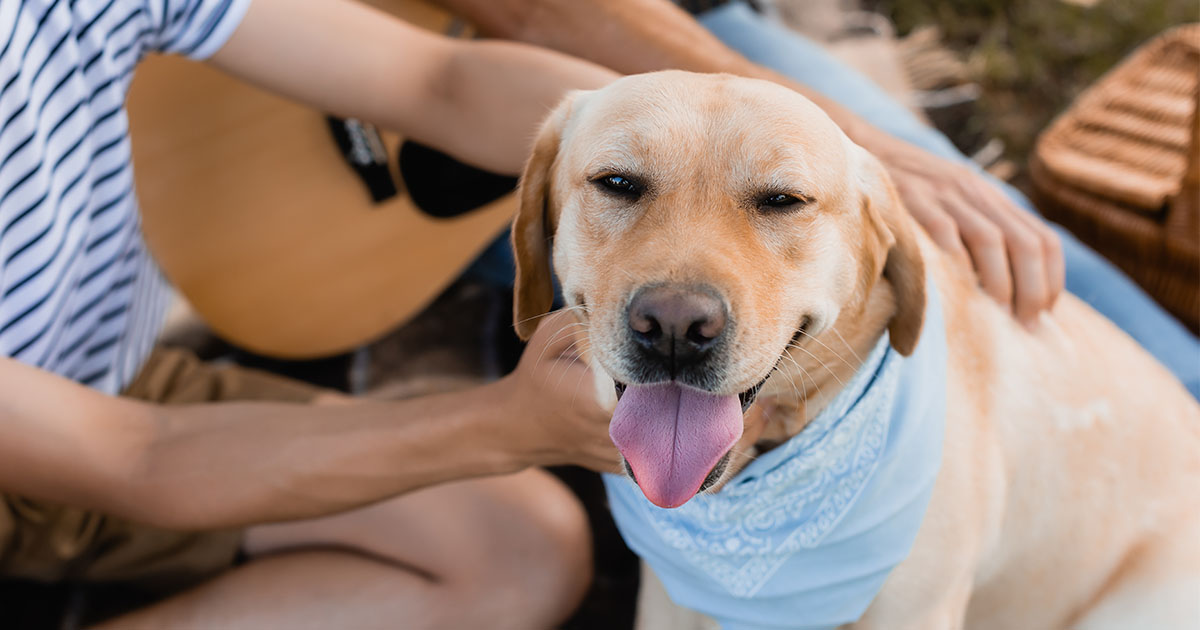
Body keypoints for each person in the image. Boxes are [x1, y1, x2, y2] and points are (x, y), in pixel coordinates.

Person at [0, 0, 623, 627]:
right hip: (120, 445)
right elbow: (140, 459)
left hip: (110, 386)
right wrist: (505, 424)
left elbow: (435, 81)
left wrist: (669, 135)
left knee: (522, 552)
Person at [443, 0, 1200, 399]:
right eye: (618, 184)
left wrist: (857, 146)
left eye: (775, 197)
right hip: (401, 111)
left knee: (975, 235)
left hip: (656, 19)